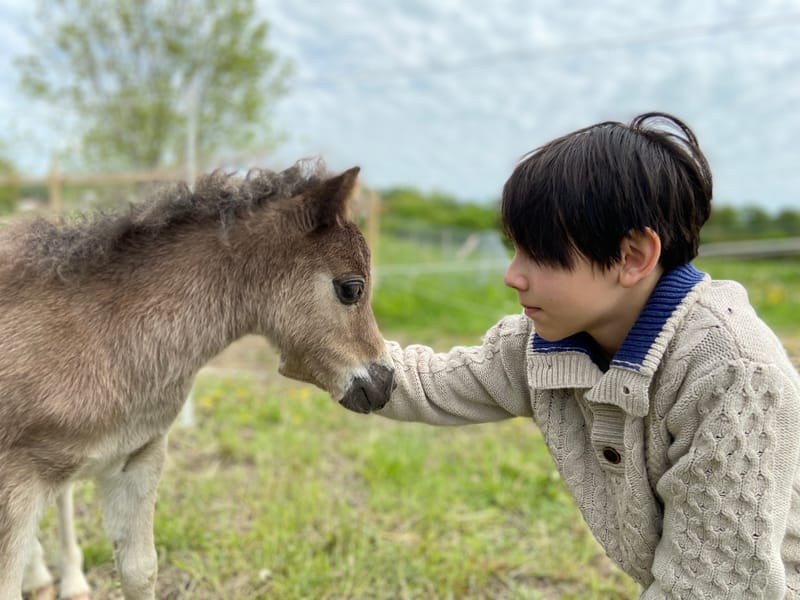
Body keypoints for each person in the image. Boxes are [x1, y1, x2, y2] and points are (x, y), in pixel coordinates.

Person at [360, 113, 800, 598]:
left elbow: (717, 586)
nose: (513, 275)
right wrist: (323, 343)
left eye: (540, 254)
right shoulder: (541, 345)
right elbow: (428, 384)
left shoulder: (731, 373)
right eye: (515, 249)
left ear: (633, 257)